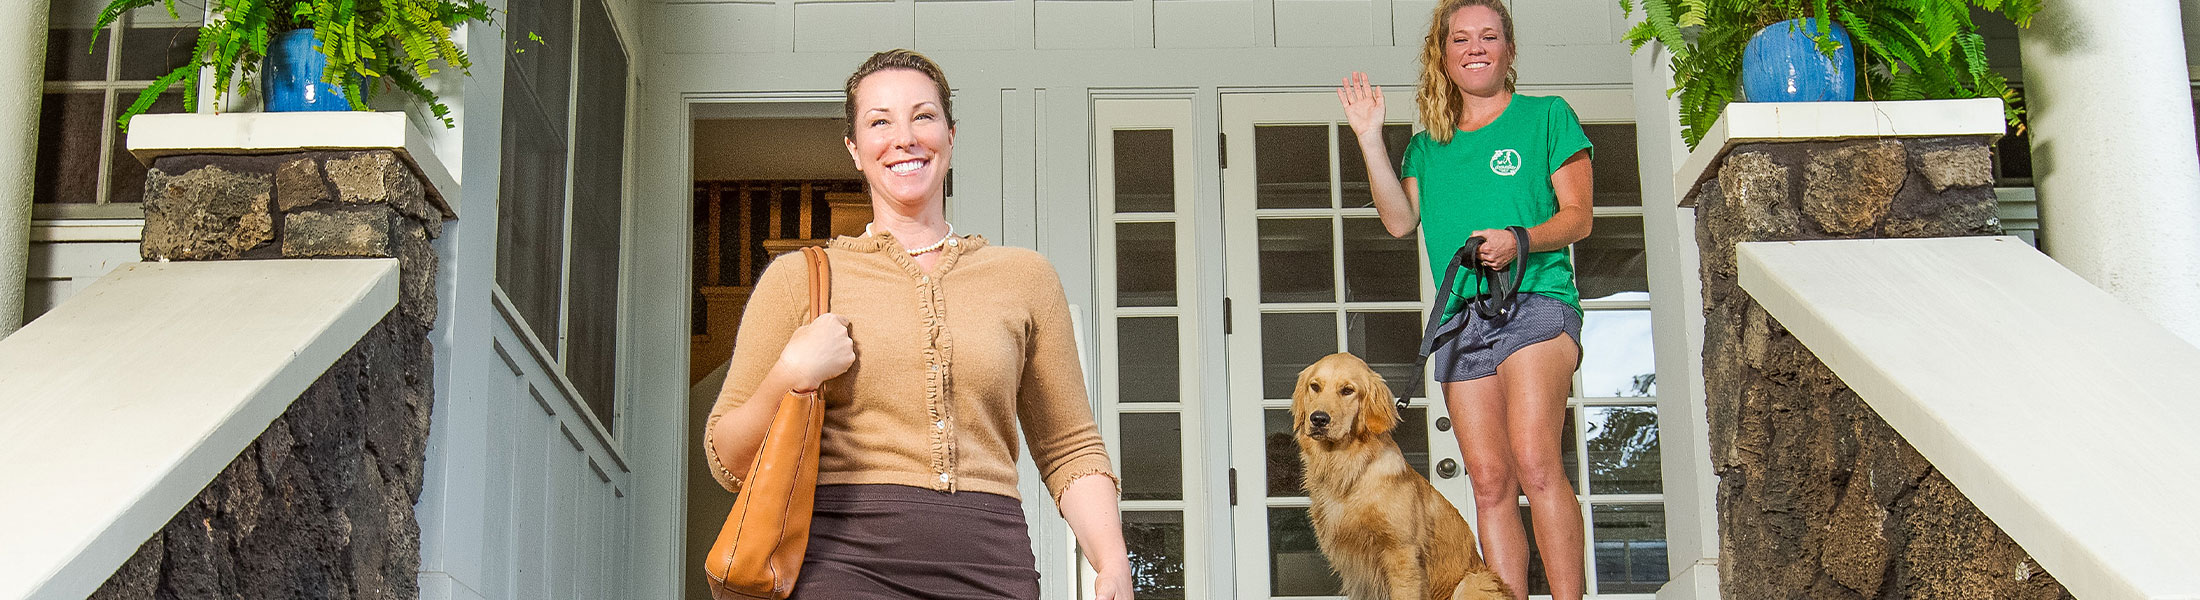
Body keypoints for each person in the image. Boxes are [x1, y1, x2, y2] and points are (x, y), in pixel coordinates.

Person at [705, 49, 1135, 600]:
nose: (903, 137)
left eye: (923, 116)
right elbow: (728, 458)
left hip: (993, 562)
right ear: (855, 150)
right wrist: (789, 372)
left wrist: (1112, 560)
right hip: (839, 565)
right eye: (879, 122)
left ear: (950, 137)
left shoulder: (1026, 279)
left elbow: (1069, 446)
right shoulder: (798, 279)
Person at [1337, 0, 1594, 597]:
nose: (1475, 47)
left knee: (1535, 463)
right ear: (1444, 55)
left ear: (1507, 50)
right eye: (1461, 39)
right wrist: (1371, 140)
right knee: (1490, 482)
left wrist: (1519, 240)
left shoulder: (1548, 117)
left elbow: (1579, 218)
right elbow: (1400, 221)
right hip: (1461, 321)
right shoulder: (1430, 146)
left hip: (1536, 301)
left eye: (1489, 36)